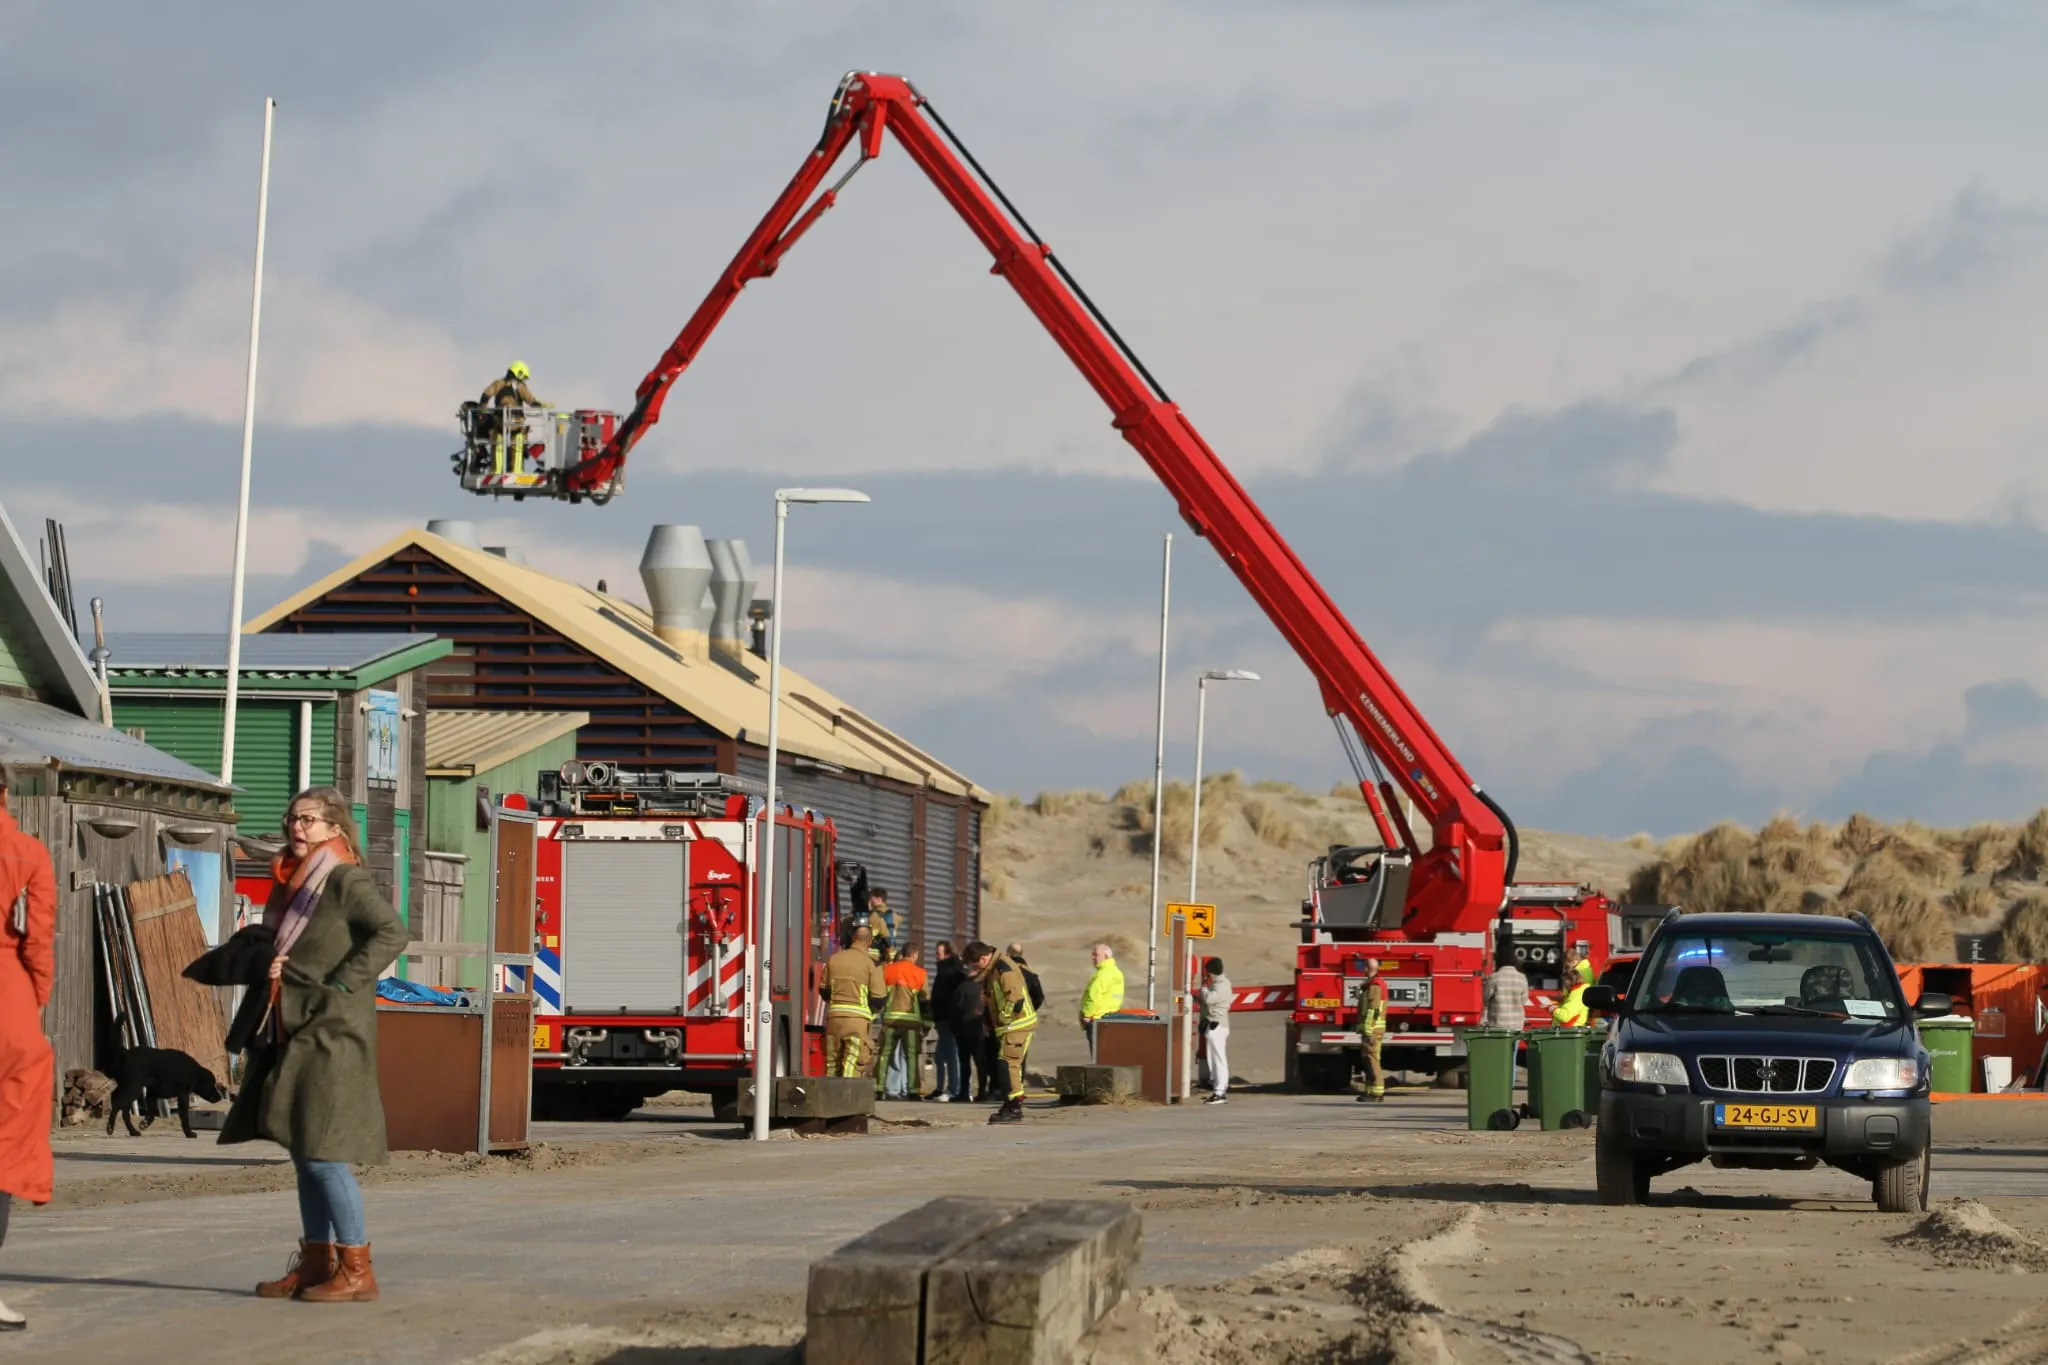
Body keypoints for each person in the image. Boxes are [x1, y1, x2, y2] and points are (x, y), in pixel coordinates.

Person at [228, 785, 409, 1303]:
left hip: (334, 1030)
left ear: (334, 828)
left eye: (308, 819)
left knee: (326, 1153)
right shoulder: (292, 883)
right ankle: (315, 1263)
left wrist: (341, 982)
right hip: (295, 1026)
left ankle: (357, 1270)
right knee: (305, 1151)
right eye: (292, 818)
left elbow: (392, 933)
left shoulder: (344, 879)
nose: (297, 827)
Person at [0, 765, 56, 1331]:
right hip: (7, 1001)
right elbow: (39, 935)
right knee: (6, 1145)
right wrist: (33, 994)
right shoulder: (25, 851)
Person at [965, 941, 1037, 1124]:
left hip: (1018, 1024)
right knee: (1005, 1065)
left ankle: (1014, 1107)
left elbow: (1016, 1001)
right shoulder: (993, 969)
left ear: (983, 958)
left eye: (974, 965)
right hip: (1009, 1026)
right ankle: (1010, 1104)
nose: (973, 969)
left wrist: (1004, 1018)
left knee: (1007, 1064)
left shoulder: (1004, 969)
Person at [822, 925, 888, 1080]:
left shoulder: (834, 959)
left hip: (834, 1020)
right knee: (852, 1064)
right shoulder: (870, 964)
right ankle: (847, 1101)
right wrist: (870, 1010)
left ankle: (828, 1100)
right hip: (857, 1022)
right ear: (870, 942)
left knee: (832, 1064)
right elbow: (879, 999)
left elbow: (824, 991)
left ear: (853, 938)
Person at [474, 361, 548, 474]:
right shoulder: (521, 387)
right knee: (517, 448)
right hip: (516, 423)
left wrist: (481, 412)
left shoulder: (497, 384)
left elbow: (485, 396)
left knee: (497, 446)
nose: (523, 379)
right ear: (518, 373)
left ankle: (496, 471)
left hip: (500, 422)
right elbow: (531, 401)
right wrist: (541, 406)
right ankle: (516, 472)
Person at [879, 941, 929, 1100]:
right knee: (912, 1057)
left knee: (884, 1055)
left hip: (889, 1021)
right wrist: (927, 1023)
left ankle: (878, 1089)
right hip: (911, 1023)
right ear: (914, 955)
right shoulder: (920, 973)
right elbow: (925, 999)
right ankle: (913, 1091)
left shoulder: (887, 970)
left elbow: (879, 993)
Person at [929, 941, 964, 1102]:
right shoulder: (943, 971)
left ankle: (953, 1089)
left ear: (948, 954)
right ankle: (940, 1088)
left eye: (939, 953)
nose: (936, 956)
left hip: (950, 1019)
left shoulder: (952, 971)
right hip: (942, 1019)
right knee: (940, 1057)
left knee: (951, 1056)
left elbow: (949, 996)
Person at [1195, 957, 1233, 1105]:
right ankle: (1217, 1088)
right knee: (1213, 1059)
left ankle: (1220, 1091)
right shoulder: (1218, 984)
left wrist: (1203, 988)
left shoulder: (1221, 985)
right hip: (1213, 1025)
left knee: (1218, 1059)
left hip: (1217, 1025)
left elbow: (1210, 999)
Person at [1079, 944, 1125, 1059]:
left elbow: (1093, 996)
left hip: (1098, 1019)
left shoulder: (1104, 973)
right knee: (1106, 1055)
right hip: (1110, 1017)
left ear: (1106, 956)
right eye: (1093, 955)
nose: (1093, 958)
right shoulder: (1115, 971)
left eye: (1096, 955)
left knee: (1097, 1056)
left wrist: (1087, 1015)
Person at [1352, 958, 1389, 1104]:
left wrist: (1368, 1028)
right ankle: (1370, 1091)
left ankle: (1376, 1093)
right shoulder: (1372, 984)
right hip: (1373, 1029)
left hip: (1372, 1030)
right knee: (1368, 1060)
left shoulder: (1375, 986)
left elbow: (1373, 1009)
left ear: (1368, 968)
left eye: (1363, 966)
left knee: (1371, 1060)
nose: (1362, 969)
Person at [1482, 956, 1530, 1030]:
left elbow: (1485, 998)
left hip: (1497, 1024)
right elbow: (1523, 1000)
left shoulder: (1493, 977)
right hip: (1517, 1024)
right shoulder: (1522, 978)